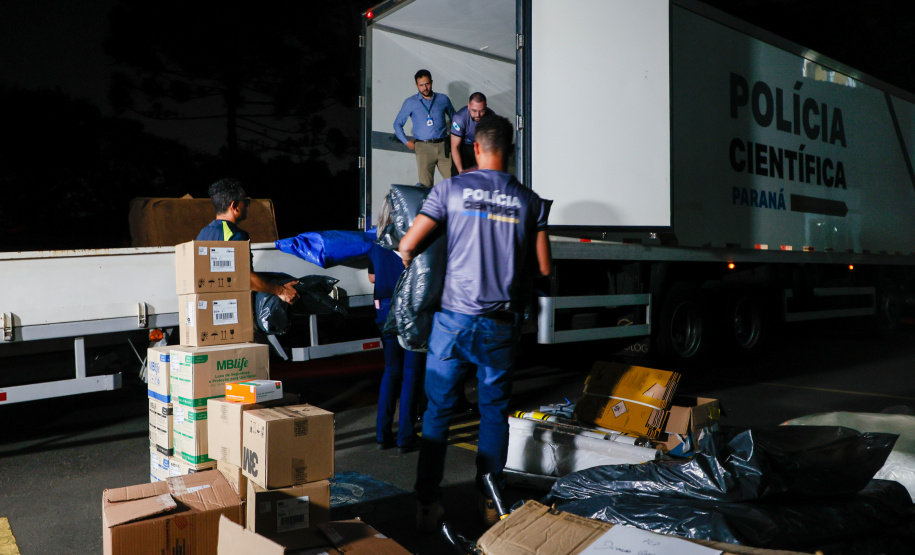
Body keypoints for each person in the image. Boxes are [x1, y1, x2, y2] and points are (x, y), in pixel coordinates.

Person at [398, 115, 552, 531]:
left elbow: (409, 243)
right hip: (499, 327)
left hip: (452, 324)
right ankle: (489, 501)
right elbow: (543, 268)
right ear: (510, 151)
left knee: (437, 414)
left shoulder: (450, 189)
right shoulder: (530, 201)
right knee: (494, 414)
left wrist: (411, 258)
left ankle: (428, 505)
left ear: (476, 148)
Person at [368, 195, 426, 454]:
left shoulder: (376, 243)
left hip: (383, 310)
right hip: (409, 311)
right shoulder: (414, 240)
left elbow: (372, 278)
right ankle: (406, 435)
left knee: (391, 371)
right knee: (412, 373)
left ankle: (382, 433)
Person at [197, 178, 298, 304]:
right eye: (245, 201)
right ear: (234, 206)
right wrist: (281, 291)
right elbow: (246, 278)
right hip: (231, 305)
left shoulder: (203, 233)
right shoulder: (236, 235)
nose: (246, 206)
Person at [393, 69, 455, 187]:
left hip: (443, 146)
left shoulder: (443, 99)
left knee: (454, 182)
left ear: (432, 82)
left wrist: (454, 138)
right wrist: (406, 142)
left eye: (427, 84)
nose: (425, 88)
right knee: (425, 186)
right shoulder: (410, 102)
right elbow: (397, 124)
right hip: (424, 147)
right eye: (421, 85)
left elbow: (455, 119)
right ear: (416, 85)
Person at [450, 92, 494, 174]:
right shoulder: (459, 118)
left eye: (481, 111)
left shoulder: (491, 117)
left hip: (482, 148)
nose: (477, 115)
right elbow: (455, 147)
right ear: (469, 106)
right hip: (463, 148)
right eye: (474, 110)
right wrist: (461, 172)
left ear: (485, 107)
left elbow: (492, 146)